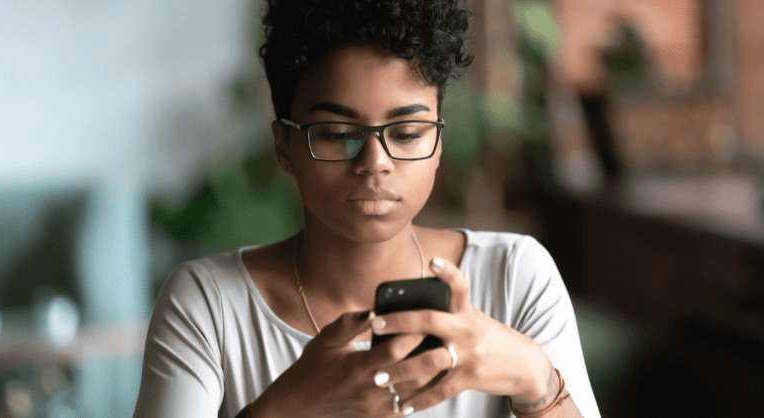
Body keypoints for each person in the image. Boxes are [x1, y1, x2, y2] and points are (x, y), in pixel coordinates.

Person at [133, 0, 601, 417]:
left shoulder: (514, 277)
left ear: (439, 143)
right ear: (283, 147)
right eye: (337, 134)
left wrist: (536, 378)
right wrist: (287, 406)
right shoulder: (209, 306)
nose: (375, 163)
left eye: (407, 133)